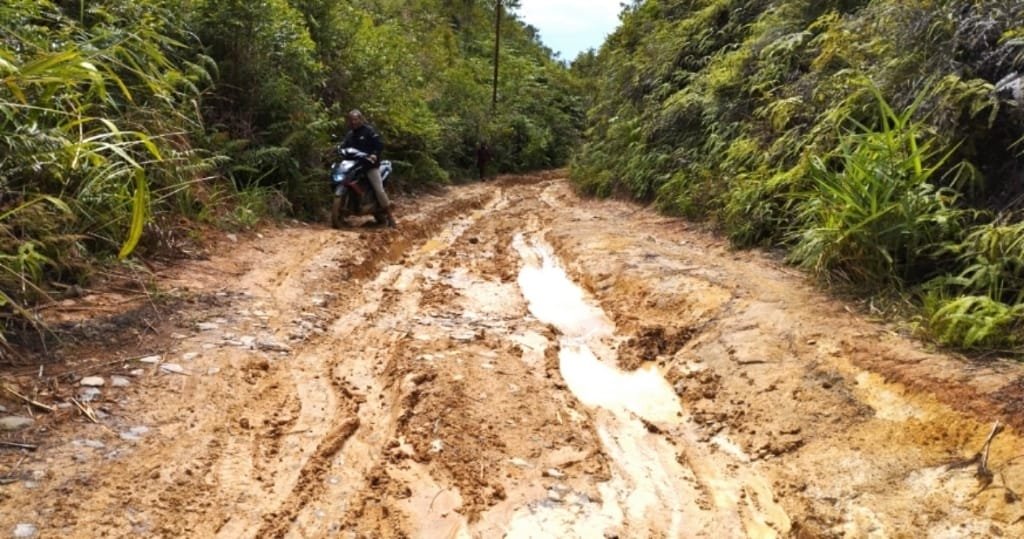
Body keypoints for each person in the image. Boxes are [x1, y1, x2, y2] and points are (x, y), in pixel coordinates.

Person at [342, 109, 396, 227]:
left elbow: (379, 144)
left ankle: (390, 217)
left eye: (356, 119)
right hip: (354, 166)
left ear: (361, 119)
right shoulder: (350, 134)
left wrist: (374, 154)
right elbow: (343, 146)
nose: (354, 122)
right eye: (351, 120)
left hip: (369, 165)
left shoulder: (369, 131)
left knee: (378, 189)